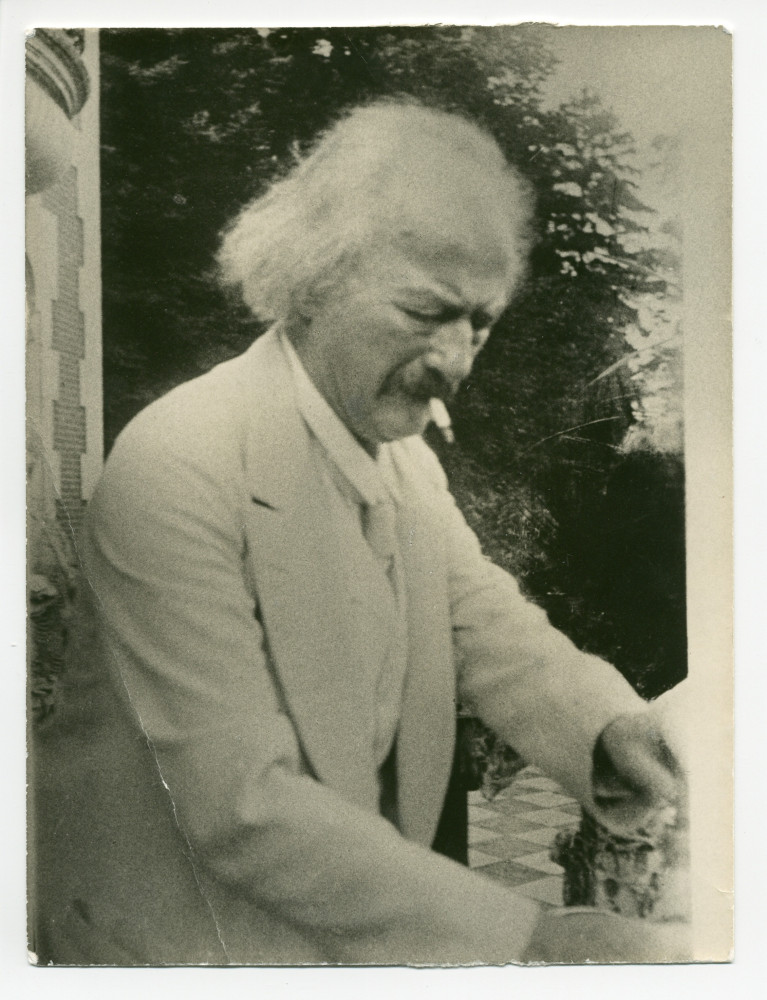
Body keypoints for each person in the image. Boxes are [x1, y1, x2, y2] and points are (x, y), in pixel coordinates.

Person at [33, 99, 688, 966]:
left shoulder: (404, 463)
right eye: (424, 312)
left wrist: (609, 733)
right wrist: (531, 938)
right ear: (313, 282)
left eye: (479, 322)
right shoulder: (179, 457)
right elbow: (242, 803)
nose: (456, 360)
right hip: (166, 950)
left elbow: (487, 625)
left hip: (328, 940)